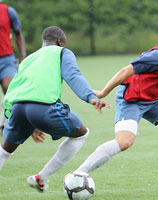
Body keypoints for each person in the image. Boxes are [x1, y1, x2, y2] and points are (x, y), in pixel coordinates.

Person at [73, 22, 158, 190]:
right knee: (124, 142)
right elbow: (125, 71)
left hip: (156, 99)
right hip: (132, 99)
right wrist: (102, 93)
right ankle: (78, 174)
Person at [0, 26, 110, 192]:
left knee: (5, 150)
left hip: (17, 107)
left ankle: (39, 177)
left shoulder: (29, 58)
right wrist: (91, 97)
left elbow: (14, 86)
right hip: (43, 107)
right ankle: (41, 178)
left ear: (43, 43)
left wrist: (24, 120)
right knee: (81, 133)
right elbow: (73, 75)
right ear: (61, 42)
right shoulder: (62, 52)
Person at [0, 0, 26, 132]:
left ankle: (5, 124)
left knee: (9, 88)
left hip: (6, 60)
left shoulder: (8, 11)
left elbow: (17, 33)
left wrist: (23, 54)